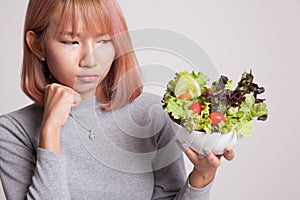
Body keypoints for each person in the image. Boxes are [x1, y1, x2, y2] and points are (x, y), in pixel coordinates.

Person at [0, 0, 234, 199]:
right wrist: (50, 131)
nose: (91, 60)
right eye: (71, 41)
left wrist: (203, 175)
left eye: (104, 40)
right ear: (37, 45)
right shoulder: (12, 131)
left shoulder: (152, 112)